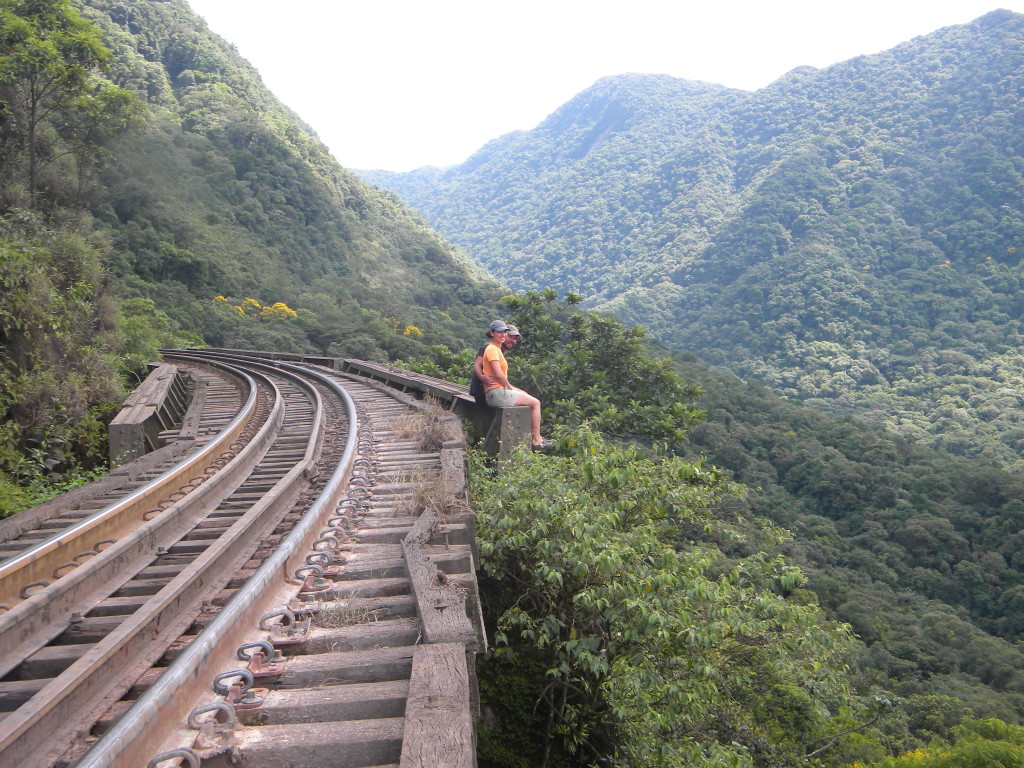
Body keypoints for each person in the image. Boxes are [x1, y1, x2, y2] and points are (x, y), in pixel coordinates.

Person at [479, 320, 551, 451]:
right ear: (492, 333)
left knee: (525, 394)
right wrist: (510, 388)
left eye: (505, 332)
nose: (503, 335)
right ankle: (537, 440)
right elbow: (499, 375)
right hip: (497, 393)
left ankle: (534, 436)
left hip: (496, 391)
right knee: (536, 403)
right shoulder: (492, 350)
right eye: (499, 332)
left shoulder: (495, 349)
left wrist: (515, 389)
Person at [469, 324, 520, 405]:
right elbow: (477, 365)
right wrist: (482, 377)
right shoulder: (487, 348)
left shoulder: (498, 351)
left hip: (494, 391)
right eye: (510, 337)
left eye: (515, 339)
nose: (512, 340)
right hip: (483, 391)